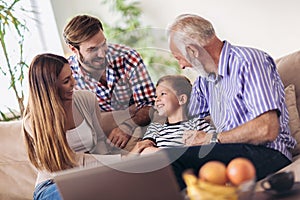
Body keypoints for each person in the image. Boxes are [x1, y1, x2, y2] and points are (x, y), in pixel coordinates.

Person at [165, 14, 297, 190]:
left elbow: (267, 129)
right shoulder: (205, 80)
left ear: (193, 51)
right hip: (231, 151)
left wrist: (211, 138)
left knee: (170, 160)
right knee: (160, 161)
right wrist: (149, 140)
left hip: (269, 153)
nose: (181, 66)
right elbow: (187, 119)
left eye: (178, 57)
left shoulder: (249, 62)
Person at [23, 53, 131, 200]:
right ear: (50, 87)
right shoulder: (33, 121)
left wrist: (128, 162)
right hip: (52, 184)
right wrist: (123, 159)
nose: (74, 83)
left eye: (72, 76)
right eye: (67, 80)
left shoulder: (87, 99)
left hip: (87, 177)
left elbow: (99, 144)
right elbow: (68, 161)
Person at [63, 14, 156, 150]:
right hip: (98, 138)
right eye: (92, 49)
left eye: (103, 44)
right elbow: (83, 122)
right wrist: (127, 112)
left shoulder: (128, 58)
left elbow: (151, 105)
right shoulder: (68, 74)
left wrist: (127, 125)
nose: (102, 54)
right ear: (73, 49)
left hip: (137, 127)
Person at [130, 75, 215, 154]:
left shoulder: (198, 124)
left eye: (162, 94)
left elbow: (215, 143)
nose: (157, 99)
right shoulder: (155, 128)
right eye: (156, 96)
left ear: (181, 99)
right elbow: (144, 150)